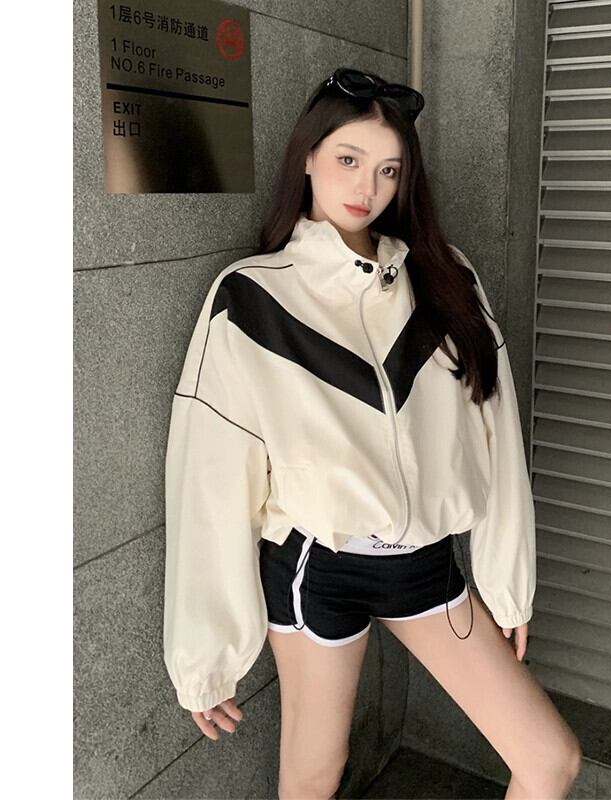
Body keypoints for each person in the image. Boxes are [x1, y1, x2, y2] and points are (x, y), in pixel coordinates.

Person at [163, 67, 582, 800]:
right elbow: (210, 474)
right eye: (349, 159)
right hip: (315, 568)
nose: (368, 187)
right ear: (307, 157)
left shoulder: (446, 279)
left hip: (427, 564)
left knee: (549, 759)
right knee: (315, 777)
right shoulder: (253, 297)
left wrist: (509, 584)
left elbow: (497, 429)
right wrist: (206, 655)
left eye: (389, 169)